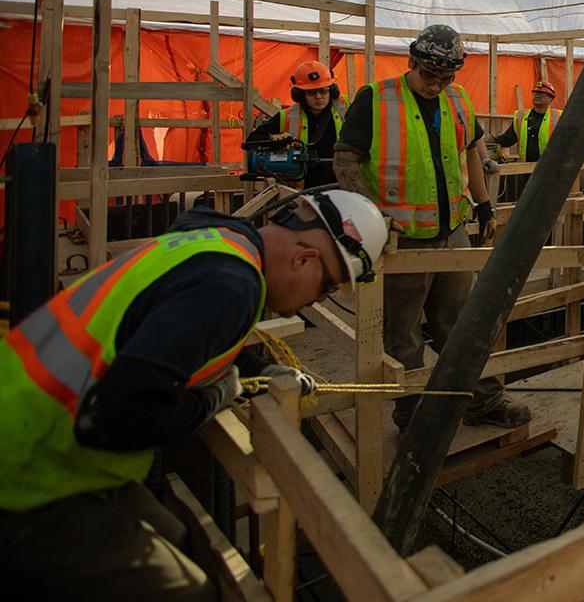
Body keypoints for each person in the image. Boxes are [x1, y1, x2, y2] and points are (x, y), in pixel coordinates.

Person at [0, 190, 387, 601]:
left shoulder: (216, 245)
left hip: (39, 437)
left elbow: (181, 339)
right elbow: (116, 418)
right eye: (327, 286)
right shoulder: (230, 287)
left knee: (185, 541)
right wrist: (216, 396)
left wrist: (258, 371)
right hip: (34, 481)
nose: (317, 300)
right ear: (304, 259)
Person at [332, 24, 529, 429]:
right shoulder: (376, 99)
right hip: (400, 240)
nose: (436, 85)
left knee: (462, 321)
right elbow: (346, 159)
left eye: (445, 78)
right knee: (403, 333)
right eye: (429, 76)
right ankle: (412, 412)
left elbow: (471, 153)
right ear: (412, 62)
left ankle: (481, 402)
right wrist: (372, 217)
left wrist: (485, 205)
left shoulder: (457, 99)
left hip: (451, 231)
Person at [244, 60, 345, 188]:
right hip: (302, 191)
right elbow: (251, 142)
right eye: (311, 92)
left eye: (323, 91)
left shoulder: (345, 110)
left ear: (332, 90)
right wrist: (272, 140)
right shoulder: (286, 117)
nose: (318, 97)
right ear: (299, 95)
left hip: (339, 187)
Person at [492, 80, 558, 203]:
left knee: (547, 201)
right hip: (527, 170)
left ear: (550, 98)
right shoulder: (522, 117)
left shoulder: (558, 117)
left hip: (549, 170)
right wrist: (492, 141)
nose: (537, 95)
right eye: (535, 93)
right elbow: (509, 138)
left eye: (542, 94)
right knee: (530, 201)